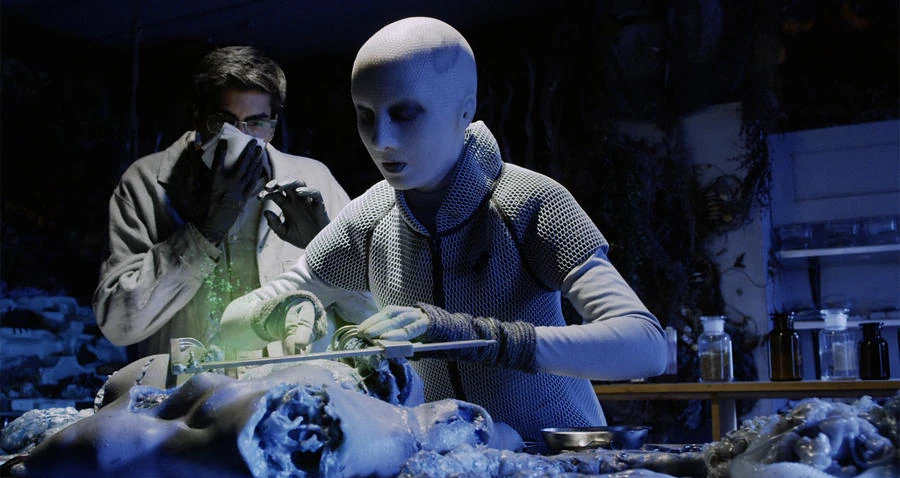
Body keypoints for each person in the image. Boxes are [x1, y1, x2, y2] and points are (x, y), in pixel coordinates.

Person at [220, 18, 667, 442]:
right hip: (442, 471)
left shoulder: (530, 202)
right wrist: (284, 310)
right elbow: (231, 324)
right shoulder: (367, 219)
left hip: (556, 462)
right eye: (366, 115)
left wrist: (475, 338)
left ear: (464, 111)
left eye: (405, 113)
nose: (381, 140)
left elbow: (646, 346)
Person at [92, 46, 367, 362]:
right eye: (223, 121)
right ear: (197, 117)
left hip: (287, 382)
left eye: (256, 122)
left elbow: (371, 312)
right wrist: (202, 235)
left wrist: (327, 255)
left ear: (273, 125)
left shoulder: (314, 180)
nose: (240, 136)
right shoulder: (145, 184)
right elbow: (117, 324)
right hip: (190, 386)